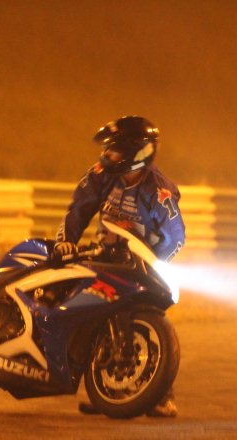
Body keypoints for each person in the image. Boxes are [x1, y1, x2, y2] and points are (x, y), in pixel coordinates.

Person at [54, 115, 186, 417]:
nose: (108, 155)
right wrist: (66, 241)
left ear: (135, 153)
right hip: (104, 253)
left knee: (149, 316)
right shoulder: (102, 174)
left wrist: (152, 263)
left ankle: (162, 395)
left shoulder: (160, 191)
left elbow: (175, 237)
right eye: (109, 149)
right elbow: (78, 209)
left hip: (141, 263)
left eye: (115, 150)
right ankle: (104, 390)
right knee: (86, 310)